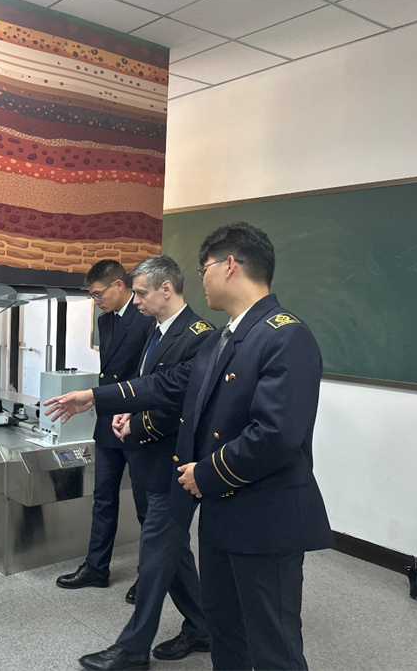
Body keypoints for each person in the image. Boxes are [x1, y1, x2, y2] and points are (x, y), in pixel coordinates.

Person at [45, 223, 333, 671]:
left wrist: (206, 473)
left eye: (204, 269)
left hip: (264, 519)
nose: (202, 279)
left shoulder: (284, 335)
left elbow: (276, 434)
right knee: (227, 634)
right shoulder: (224, 337)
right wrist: (95, 398)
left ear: (230, 265)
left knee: (272, 645)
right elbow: (170, 386)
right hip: (221, 515)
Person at [77, 255, 214, 671]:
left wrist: (135, 421)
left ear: (166, 289)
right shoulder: (157, 331)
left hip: (175, 464)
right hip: (148, 458)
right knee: (172, 552)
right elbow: (145, 388)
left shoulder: (200, 337)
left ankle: (133, 648)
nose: (135, 301)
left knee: (155, 554)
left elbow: (178, 398)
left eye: (140, 292)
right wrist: (128, 413)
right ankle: (202, 627)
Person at [56, 259, 153, 602]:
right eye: (92, 296)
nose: (96, 301)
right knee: (103, 499)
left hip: (138, 422)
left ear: (118, 285)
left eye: (98, 294)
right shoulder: (105, 321)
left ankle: (149, 576)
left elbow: (148, 378)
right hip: (108, 421)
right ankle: (97, 568)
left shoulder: (147, 319)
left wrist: (132, 413)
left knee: (145, 505)